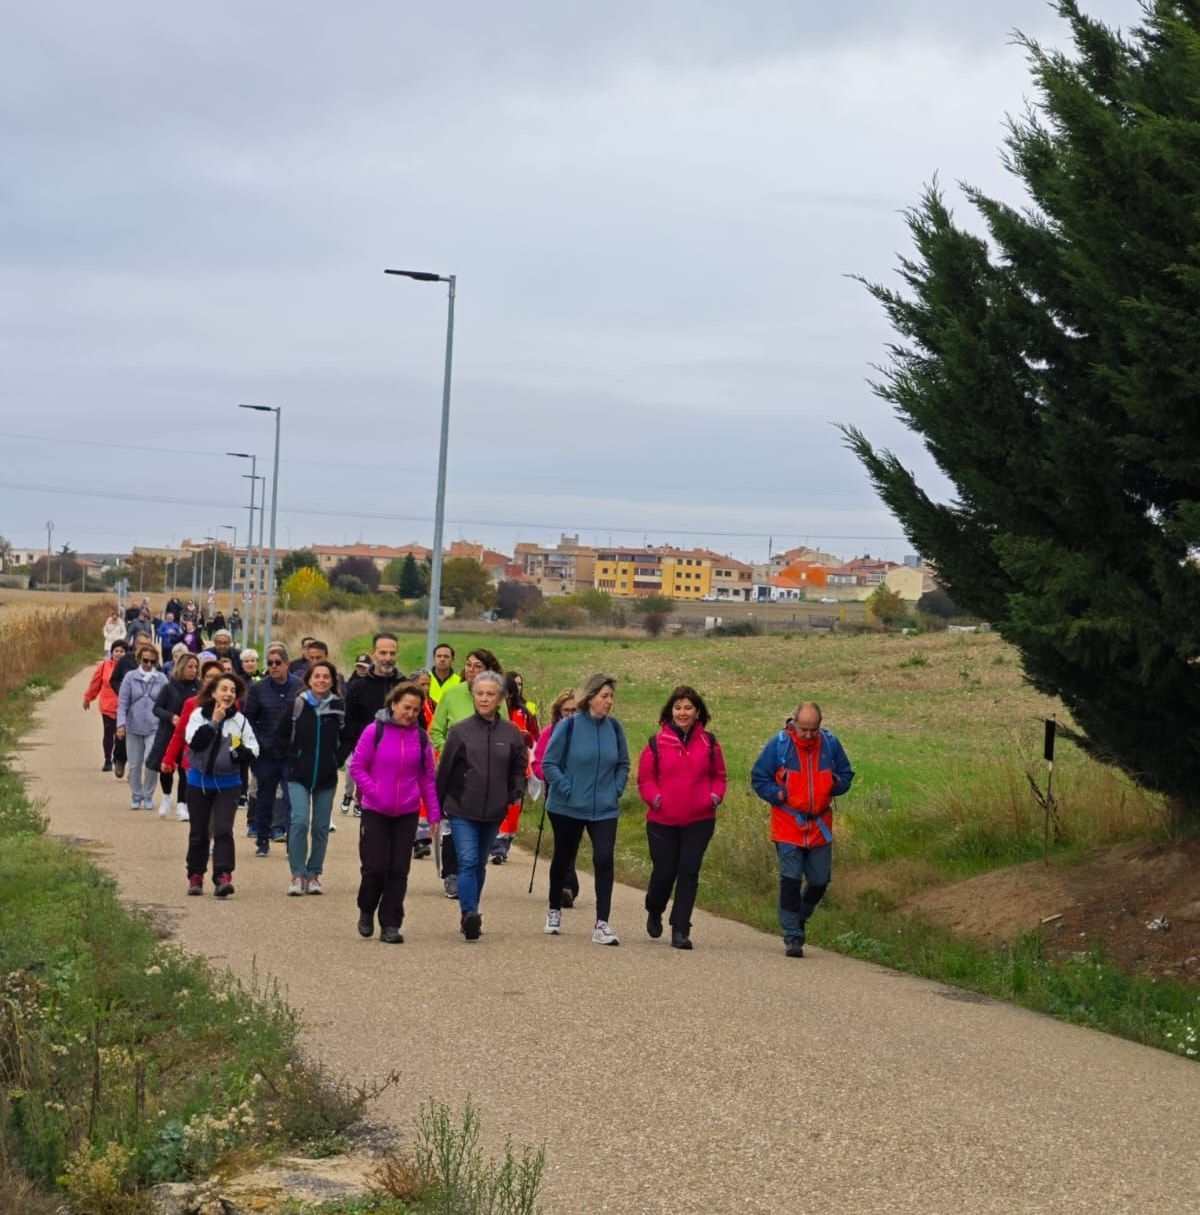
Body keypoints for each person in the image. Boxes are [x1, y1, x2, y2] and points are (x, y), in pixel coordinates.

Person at [750, 700, 854, 958]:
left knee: (819, 881)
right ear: (794, 723)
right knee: (791, 878)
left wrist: (835, 784)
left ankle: (800, 917)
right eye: (803, 729)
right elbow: (759, 778)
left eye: (813, 730)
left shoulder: (830, 744)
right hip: (787, 823)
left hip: (820, 825)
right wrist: (778, 794)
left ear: (820, 725)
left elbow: (846, 775)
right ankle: (792, 936)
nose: (808, 735)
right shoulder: (779, 745)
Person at [435, 671, 526, 941]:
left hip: (494, 809)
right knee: (468, 860)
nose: (484, 699)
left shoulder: (510, 732)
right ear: (473, 696)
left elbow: (518, 766)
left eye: (490, 694)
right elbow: (445, 771)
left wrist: (514, 792)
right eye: (479, 693)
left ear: (500, 699)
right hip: (462, 807)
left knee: (479, 865)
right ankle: (469, 914)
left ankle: (471, 912)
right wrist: (437, 808)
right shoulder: (460, 731)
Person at [541, 673, 629, 945]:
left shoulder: (615, 728)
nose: (609, 701)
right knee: (564, 857)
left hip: (604, 808)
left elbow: (623, 764)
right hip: (567, 807)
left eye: (611, 696)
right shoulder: (568, 727)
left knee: (604, 858)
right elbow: (549, 763)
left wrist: (615, 789)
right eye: (604, 696)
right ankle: (554, 909)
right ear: (590, 698)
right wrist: (567, 788)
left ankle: (602, 923)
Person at [636, 685, 727, 950]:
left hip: (699, 820)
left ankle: (681, 928)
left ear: (698, 712)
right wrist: (656, 799)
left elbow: (720, 776)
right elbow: (645, 779)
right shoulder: (656, 743)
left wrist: (714, 797)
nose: (682, 712)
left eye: (688, 708)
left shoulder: (710, 743)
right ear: (671, 711)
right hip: (662, 820)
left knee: (689, 871)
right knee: (664, 873)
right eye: (678, 708)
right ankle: (654, 908)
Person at [349, 682, 440, 942]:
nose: (410, 714)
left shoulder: (420, 737)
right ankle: (367, 908)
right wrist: (374, 791)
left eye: (416, 710)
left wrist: (434, 813)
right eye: (406, 707)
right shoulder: (374, 731)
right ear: (393, 704)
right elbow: (357, 767)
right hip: (376, 809)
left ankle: (391, 924)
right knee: (375, 867)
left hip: (407, 811)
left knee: (399, 869)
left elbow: (426, 778)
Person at [429, 648, 507, 898]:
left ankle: (470, 874)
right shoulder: (452, 694)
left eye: (478, 666)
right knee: (456, 825)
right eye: (469, 665)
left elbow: (506, 733)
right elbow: (435, 730)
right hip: (456, 771)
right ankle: (452, 874)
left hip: (485, 775)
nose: (471, 670)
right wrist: (449, 749)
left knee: (477, 836)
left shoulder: (498, 699)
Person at [183, 673, 259, 897]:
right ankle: (195, 875)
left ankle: (223, 876)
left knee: (223, 829)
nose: (228, 694)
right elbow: (195, 742)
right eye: (224, 689)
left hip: (229, 784)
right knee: (199, 832)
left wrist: (238, 754)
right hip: (198, 782)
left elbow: (253, 749)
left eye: (233, 691)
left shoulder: (240, 721)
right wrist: (215, 721)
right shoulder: (198, 715)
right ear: (213, 692)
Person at [278, 660, 345, 896]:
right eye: (317, 676)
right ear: (309, 679)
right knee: (299, 822)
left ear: (332, 681)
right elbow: (281, 735)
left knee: (320, 827)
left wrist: (338, 759)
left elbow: (347, 736)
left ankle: (314, 874)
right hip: (298, 774)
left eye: (326, 677)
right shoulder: (298, 704)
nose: (321, 681)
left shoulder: (338, 706)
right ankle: (297, 874)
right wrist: (291, 757)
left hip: (326, 776)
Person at [243, 643, 303, 856]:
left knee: (291, 799)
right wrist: (259, 742)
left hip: (291, 753)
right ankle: (262, 840)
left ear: (287, 664)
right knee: (265, 798)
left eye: (278, 662)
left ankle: (291, 844)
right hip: (266, 753)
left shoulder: (299, 686)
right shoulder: (257, 688)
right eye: (270, 663)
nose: (274, 667)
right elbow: (249, 718)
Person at [340, 633, 405, 814]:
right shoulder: (358, 687)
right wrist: (345, 754)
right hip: (368, 761)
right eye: (383, 653)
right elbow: (349, 724)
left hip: (398, 762)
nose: (388, 658)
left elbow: (417, 724)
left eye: (392, 653)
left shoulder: (404, 686)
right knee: (370, 816)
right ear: (373, 653)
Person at [531, 688, 579, 907]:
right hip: (556, 795)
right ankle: (566, 885)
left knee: (573, 838)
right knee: (564, 838)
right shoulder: (549, 733)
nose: (570, 714)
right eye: (566, 710)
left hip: (581, 793)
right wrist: (549, 775)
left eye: (574, 710)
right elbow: (537, 762)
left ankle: (567, 883)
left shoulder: (586, 733)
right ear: (558, 711)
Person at [489, 673, 540, 865]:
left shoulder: (524, 712)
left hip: (519, 767)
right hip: (495, 766)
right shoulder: (489, 711)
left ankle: (505, 843)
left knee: (514, 808)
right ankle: (496, 847)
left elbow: (535, 739)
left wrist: (525, 736)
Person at [147, 652, 201, 820]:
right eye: (190, 667)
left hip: (190, 736)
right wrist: (171, 716)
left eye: (195, 667)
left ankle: (182, 805)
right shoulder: (170, 687)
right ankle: (166, 797)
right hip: (169, 734)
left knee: (185, 770)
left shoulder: (200, 688)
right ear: (181, 667)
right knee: (166, 768)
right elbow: (157, 708)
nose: (193, 670)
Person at [115, 643, 168, 811]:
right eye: (145, 661)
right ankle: (136, 795)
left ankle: (148, 795)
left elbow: (167, 703)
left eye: (152, 661)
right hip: (133, 726)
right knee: (134, 764)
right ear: (139, 660)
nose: (148, 664)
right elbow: (123, 703)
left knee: (151, 762)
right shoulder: (130, 677)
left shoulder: (161, 679)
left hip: (155, 727)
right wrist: (120, 724)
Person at [83, 639, 127, 772]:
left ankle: (118, 758)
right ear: (112, 652)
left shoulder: (130, 668)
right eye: (116, 651)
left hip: (124, 708)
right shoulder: (104, 666)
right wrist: (88, 698)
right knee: (108, 734)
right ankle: (107, 759)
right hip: (107, 706)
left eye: (122, 651)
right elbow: (95, 683)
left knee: (121, 736)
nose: (118, 653)